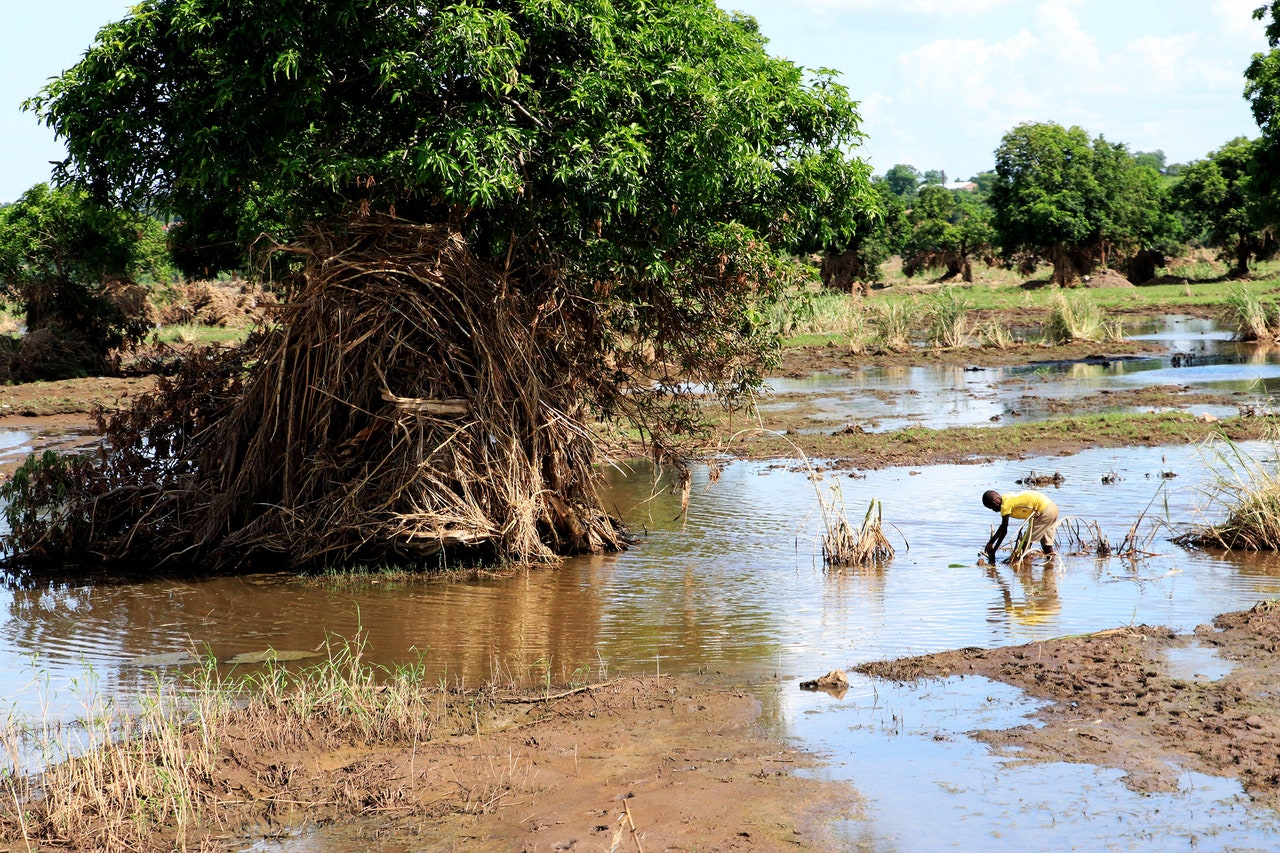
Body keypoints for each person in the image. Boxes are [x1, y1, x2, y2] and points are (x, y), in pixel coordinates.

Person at [982, 489, 1060, 562]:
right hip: (1051, 507)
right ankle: (1051, 568)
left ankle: (1026, 571)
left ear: (995, 502)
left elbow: (1004, 531)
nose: (994, 510)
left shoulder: (1005, 506)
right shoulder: (1007, 498)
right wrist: (991, 542)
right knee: (1047, 547)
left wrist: (994, 550)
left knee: (1025, 546)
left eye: (992, 507)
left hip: (1044, 511)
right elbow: (1002, 526)